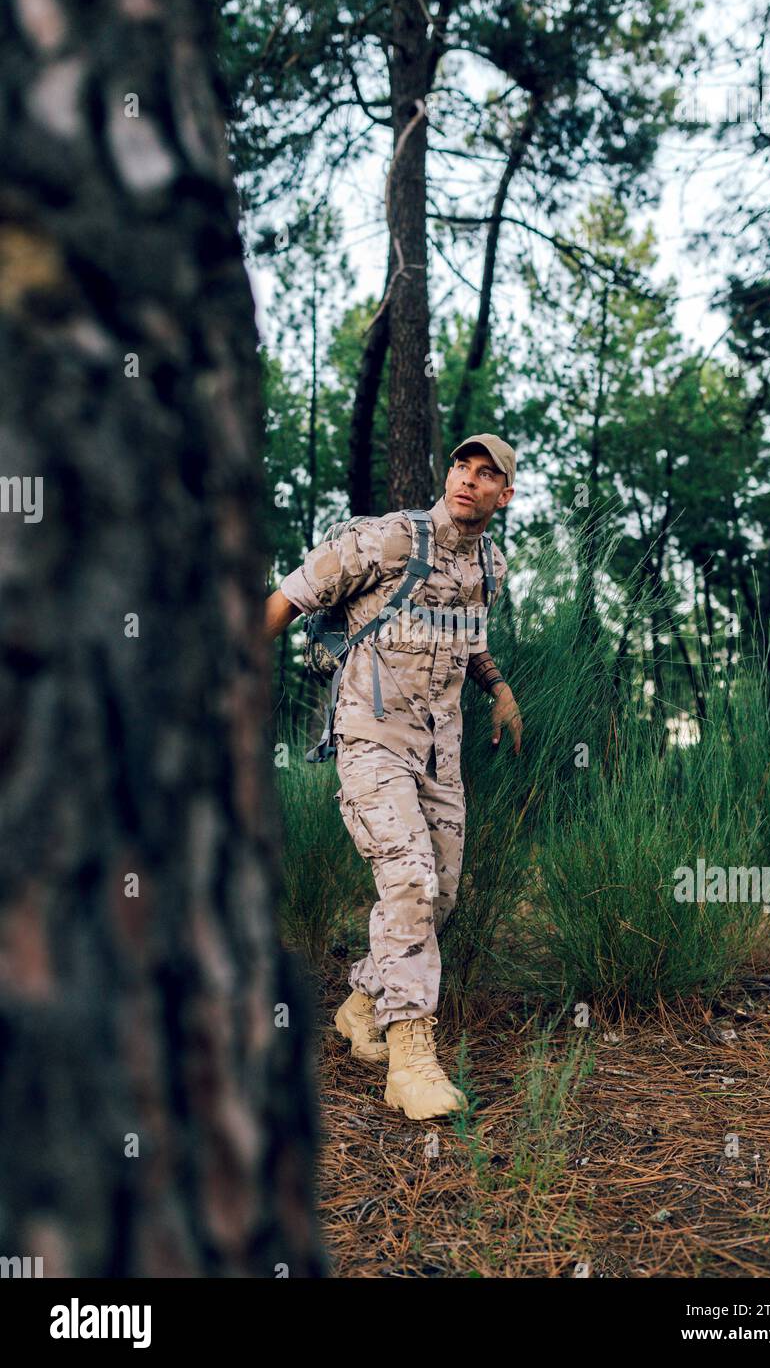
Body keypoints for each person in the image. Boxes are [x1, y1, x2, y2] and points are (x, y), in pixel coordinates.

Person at [264, 434, 523, 1119]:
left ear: (506, 494)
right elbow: (287, 597)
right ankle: (412, 1059)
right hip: (371, 743)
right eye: (461, 467)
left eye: (486, 474)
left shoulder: (490, 563)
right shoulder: (387, 542)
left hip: (442, 752)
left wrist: (499, 690)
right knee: (408, 876)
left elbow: (470, 637)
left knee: (439, 897)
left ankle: (359, 1007)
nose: (468, 480)